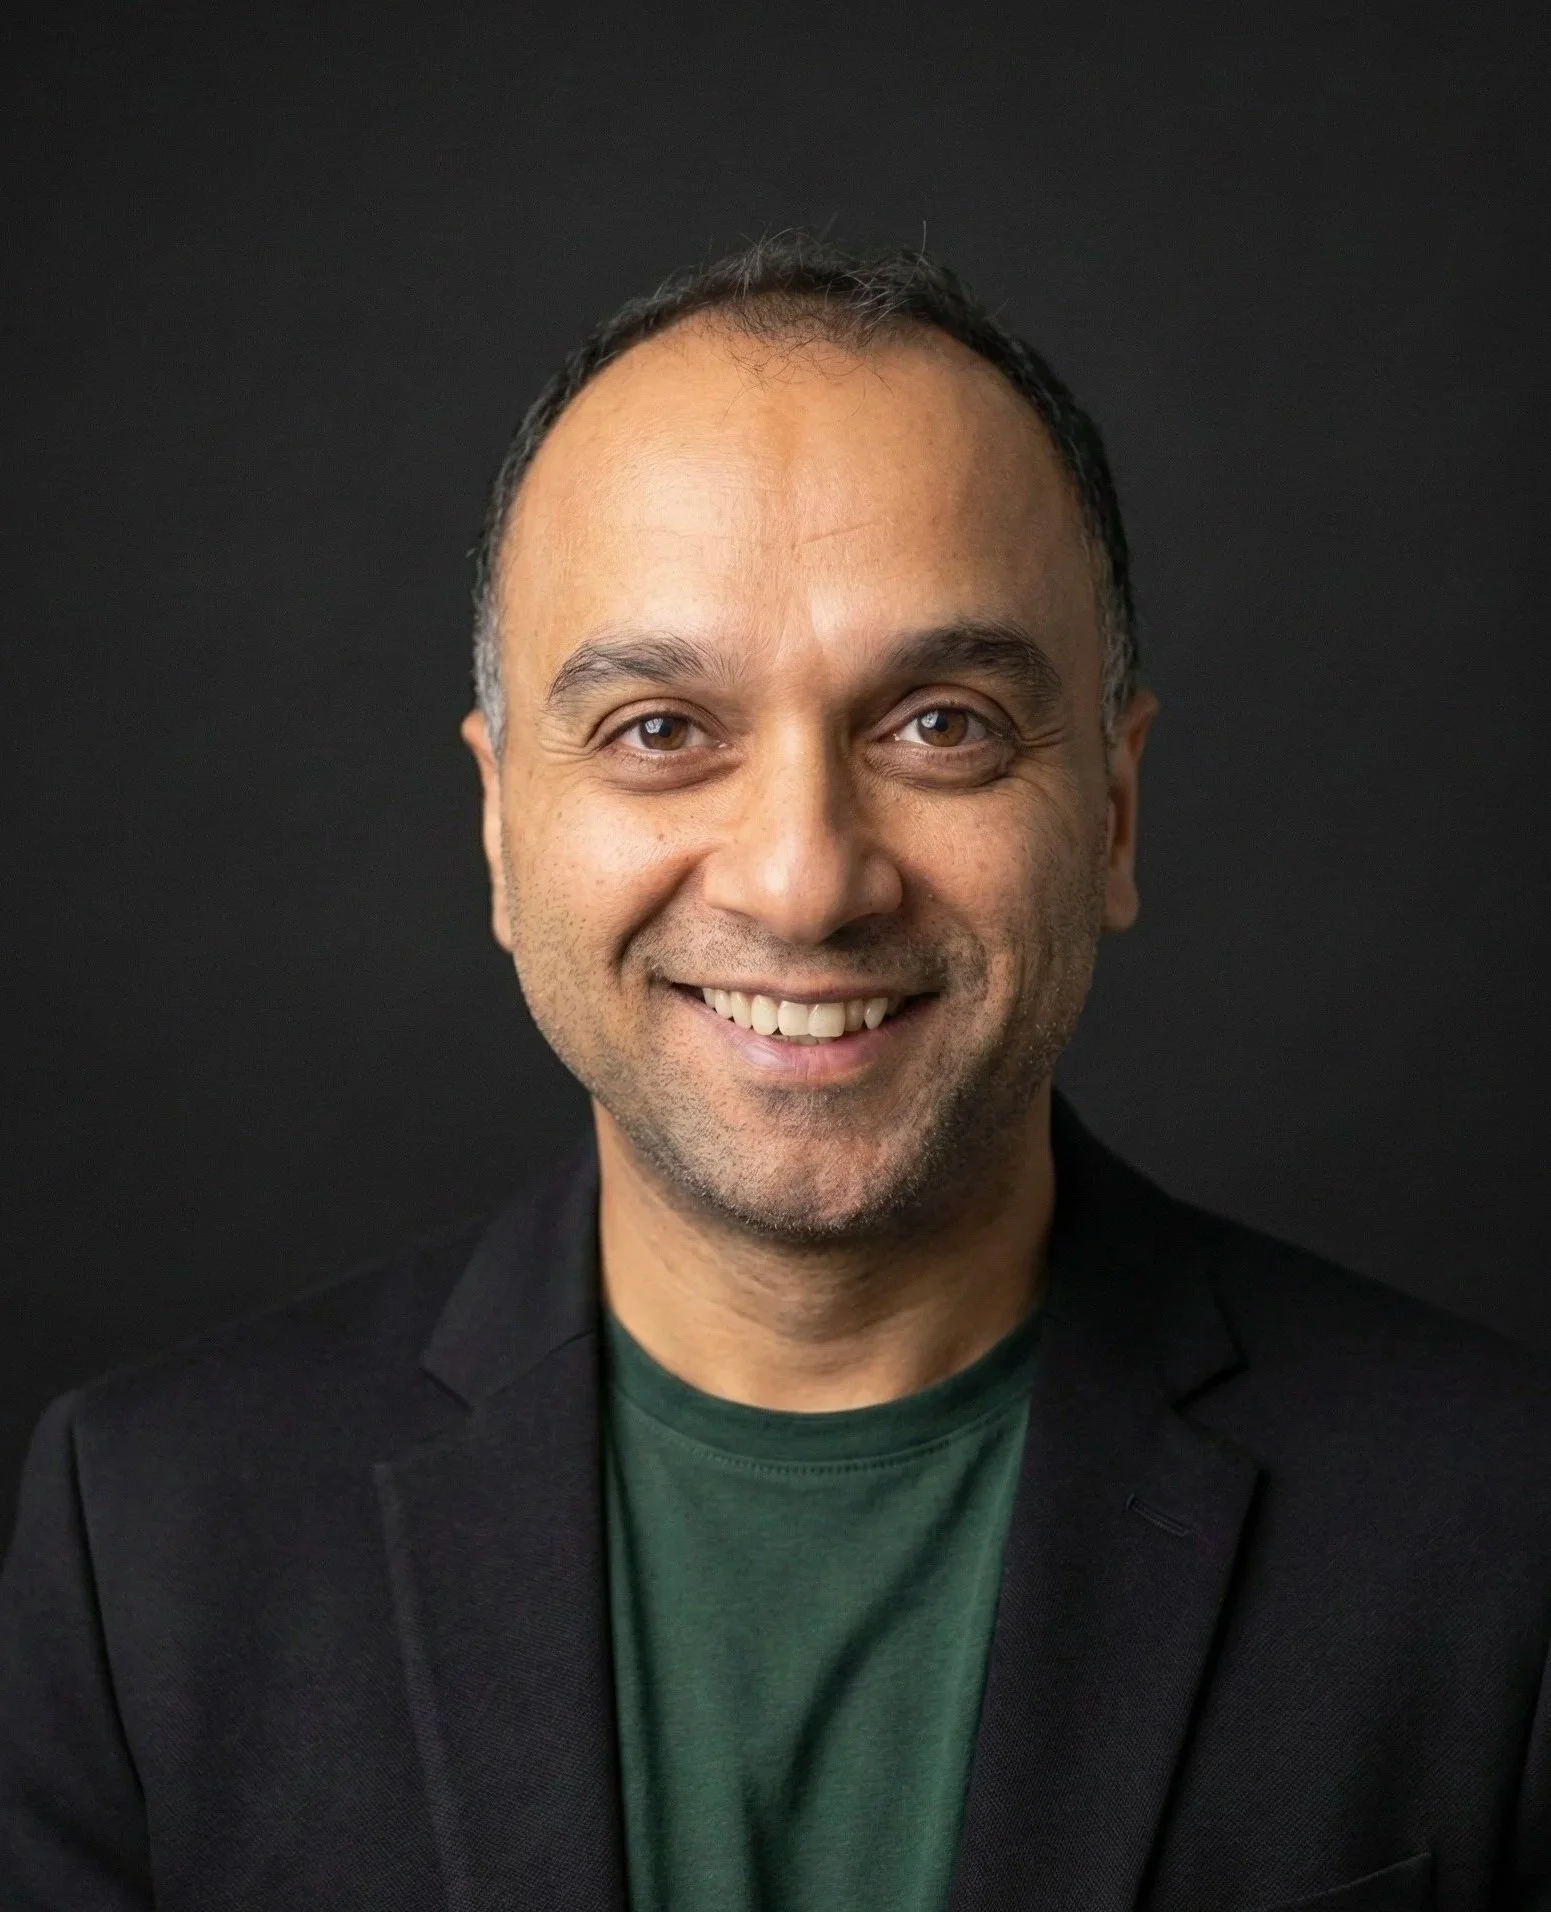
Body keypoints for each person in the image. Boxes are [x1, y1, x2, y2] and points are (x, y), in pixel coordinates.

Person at [2, 231, 1548, 1912]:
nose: (803, 883)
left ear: (1110, 811)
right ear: (501, 826)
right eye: (659, 731)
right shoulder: (146, 1541)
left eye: (940, 723)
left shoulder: (1498, 1529)